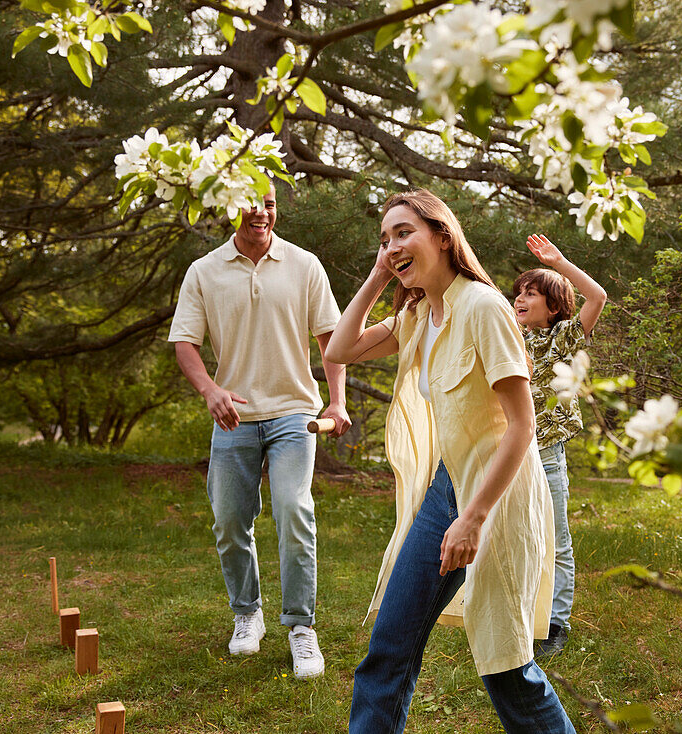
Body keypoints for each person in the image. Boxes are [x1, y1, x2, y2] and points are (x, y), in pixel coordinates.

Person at [325, 189, 575, 733]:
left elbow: (522, 426)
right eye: (384, 238)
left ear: (443, 235)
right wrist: (378, 277)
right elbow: (338, 352)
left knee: (506, 665)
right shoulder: (419, 315)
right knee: (389, 646)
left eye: (404, 232)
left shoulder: (484, 309)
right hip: (446, 492)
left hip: (498, 497)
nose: (392, 245)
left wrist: (474, 516)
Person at [168, 185, 351, 679]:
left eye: (269, 203)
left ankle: (300, 627)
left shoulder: (304, 265)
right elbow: (185, 342)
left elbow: (330, 339)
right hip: (234, 415)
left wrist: (336, 400)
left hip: (295, 411)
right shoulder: (204, 271)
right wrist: (210, 390)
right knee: (230, 521)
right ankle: (248, 613)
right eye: (252, 203)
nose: (262, 212)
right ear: (230, 208)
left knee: (293, 508)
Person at [513, 234, 607, 658]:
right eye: (519, 292)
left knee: (555, 540)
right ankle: (518, 616)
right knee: (516, 537)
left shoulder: (563, 337)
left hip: (546, 453)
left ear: (553, 307)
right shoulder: (507, 336)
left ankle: (555, 624)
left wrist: (559, 262)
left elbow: (598, 297)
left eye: (531, 293)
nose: (520, 298)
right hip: (508, 454)